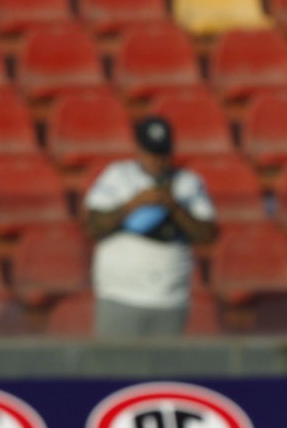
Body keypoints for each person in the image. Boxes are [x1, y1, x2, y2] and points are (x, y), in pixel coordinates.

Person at [83, 117, 217, 338]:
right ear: (139, 150)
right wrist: (134, 204)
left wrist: (174, 207)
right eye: (151, 154)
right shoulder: (117, 176)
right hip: (119, 296)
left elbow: (207, 235)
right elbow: (93, 227)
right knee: (115, 359)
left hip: (170, 299)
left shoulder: (188, 183)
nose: (157, 161)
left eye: (163, 154)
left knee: (163, 361)